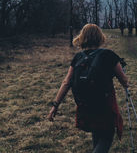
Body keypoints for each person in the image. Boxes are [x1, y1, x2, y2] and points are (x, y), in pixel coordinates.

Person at [48, 23, 129, 153]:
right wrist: (124, 78)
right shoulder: (108, 55)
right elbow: (124, 81)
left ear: (82, 37)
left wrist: (55, 106)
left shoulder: (78, 57)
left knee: (97, 134)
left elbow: (66, 82)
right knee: (106, 137)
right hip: (105, 106)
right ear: (99, 37)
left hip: (85, 106)